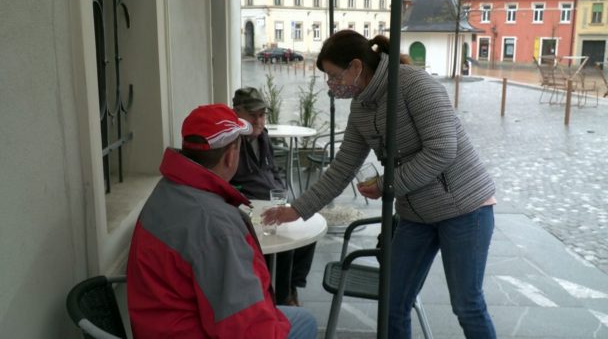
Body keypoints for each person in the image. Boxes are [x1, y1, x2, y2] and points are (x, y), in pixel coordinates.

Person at [263, 30, 497, 339]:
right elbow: (343, 167)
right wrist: (297, 209)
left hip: (465, 208)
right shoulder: (362, 107)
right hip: (417, 215)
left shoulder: (415, 85)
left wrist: (389, 183)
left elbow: (442, 150)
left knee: (467, 304)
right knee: (393, 301)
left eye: (334, 76)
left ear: (356, 67)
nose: (331, 85)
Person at [126, 104, 317, 338]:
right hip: (192, 329)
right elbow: (245, 328)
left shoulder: (167, 189)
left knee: (299, 319)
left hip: (161, 324)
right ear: (230, 156)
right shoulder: (215, 226)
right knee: (304, 323)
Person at [230, 87, 317, 307]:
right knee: (286, 241)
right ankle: (283, 299)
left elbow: (274, 170)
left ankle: (292, 286)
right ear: (237, 112)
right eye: (253, 115)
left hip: (273, 200)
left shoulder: (263, 137)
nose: (259, 121)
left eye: (262, 115)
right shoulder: (232, 143)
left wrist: (282, 190)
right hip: (250, 208)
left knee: (306, 229)